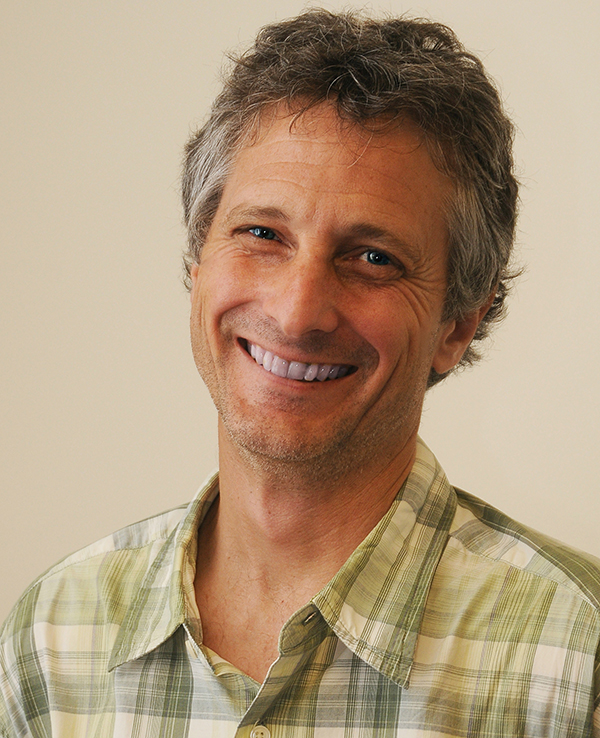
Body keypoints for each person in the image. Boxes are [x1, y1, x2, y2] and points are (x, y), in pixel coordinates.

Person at [1, 8, 599, 737]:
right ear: (198, 265)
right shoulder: (52, 637)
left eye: (373, 258)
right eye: (262, 233)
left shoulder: (579, 658)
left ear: (458, 324)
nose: (297, 312)